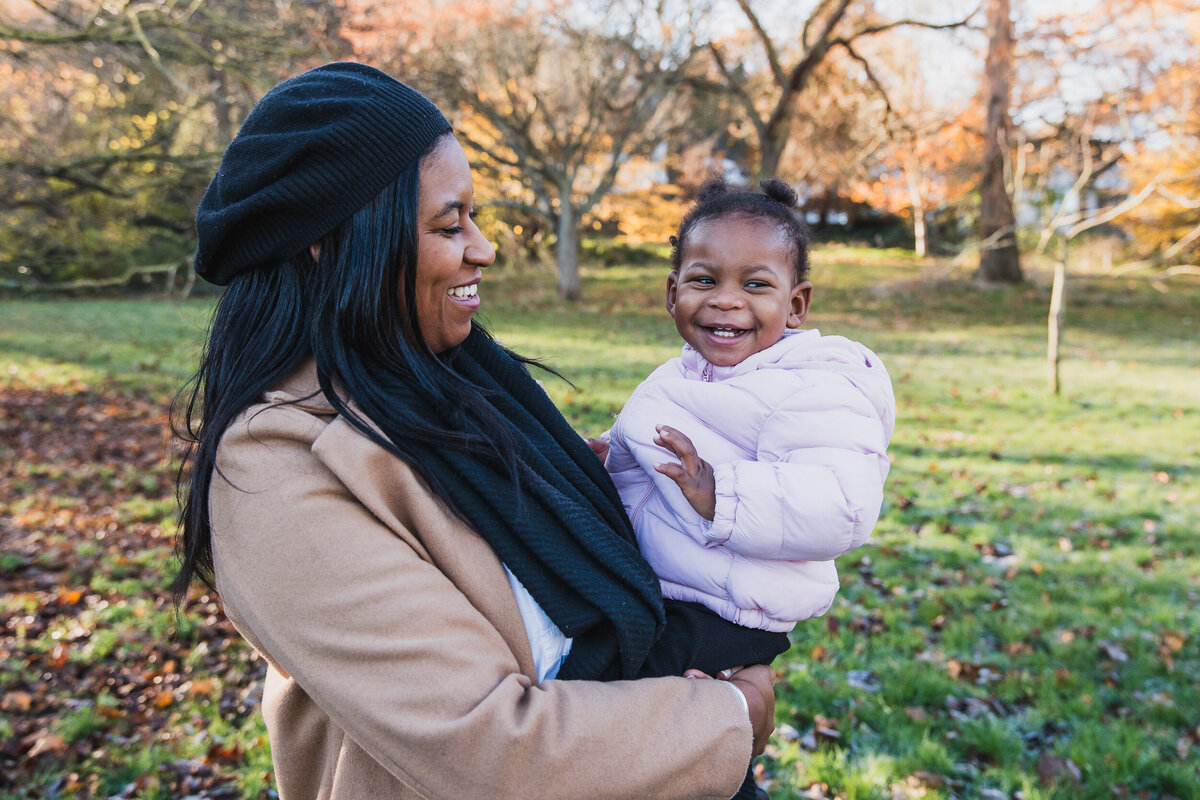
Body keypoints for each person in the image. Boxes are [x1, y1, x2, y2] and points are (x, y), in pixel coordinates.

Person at [173, 62, 776, 800]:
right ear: (328, 244)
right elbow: (488, 750)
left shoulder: (451, 392)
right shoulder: (276, 469)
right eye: (448, 223)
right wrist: (729, 716)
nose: (483, 247)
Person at [592, 177, 896, 800]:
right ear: (672, 293)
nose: (727, 302)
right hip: (678, 587)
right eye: (705, 280)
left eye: (755, 285)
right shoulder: (678, 375)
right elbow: (643, 448)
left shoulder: (813, 388)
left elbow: (842, 505)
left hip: (728, 610)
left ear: (796, 304)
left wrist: (721, 492)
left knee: (623, 698)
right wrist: (603, 456)